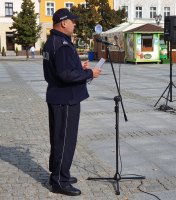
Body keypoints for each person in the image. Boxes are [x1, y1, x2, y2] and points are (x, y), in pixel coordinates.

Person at [42, 8, 101, 196]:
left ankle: (58, 173)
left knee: (58, 138)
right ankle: (60, 180)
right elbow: (66, 75)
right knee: (65, 140)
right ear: (63, 23)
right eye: (73, 22)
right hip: (66, 99)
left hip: (57, 96)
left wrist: (78, 66)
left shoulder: (52, 42)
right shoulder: (62, 44)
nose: (75, 25)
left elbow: (58, 69)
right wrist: (90, 73)